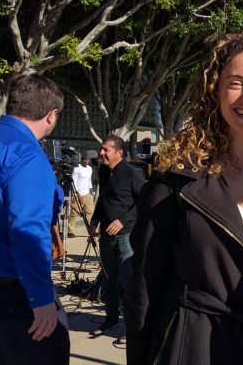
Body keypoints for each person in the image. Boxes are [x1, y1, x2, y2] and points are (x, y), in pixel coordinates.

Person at [124, 31, 243, 365]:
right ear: (214, 88)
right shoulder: (175, 177)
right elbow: (145, 286)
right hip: (192, 348)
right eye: (236, 83)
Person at [0, 74, 70, 364]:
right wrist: (41, 299)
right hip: (8, 293)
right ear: (51, 116)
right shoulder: (26, 155)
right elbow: (28, 231)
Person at [89, 135, 145, 337]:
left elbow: (143, 203)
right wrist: (95, 218)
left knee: (128, 282)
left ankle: (134, 328)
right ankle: (110, 320)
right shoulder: (103, 172)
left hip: (126, 237)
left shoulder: (133, 173)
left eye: (106, 150)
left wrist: (123, 220)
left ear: (119, 153)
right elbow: (103, 199)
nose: (101, 153)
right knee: (109, 280)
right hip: (105, 236)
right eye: (101, 149)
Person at [67, 155, 95, 238]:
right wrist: (77, 194)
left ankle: (92, 230)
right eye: (84, 160)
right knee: (74, 214)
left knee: (91, 212)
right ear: (82, 160)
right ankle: (69, 230)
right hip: (77, 194)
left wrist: (91, 189)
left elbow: (89, 180)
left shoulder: (90, 168)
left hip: (87, 193)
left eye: (88, 160)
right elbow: (73, 182)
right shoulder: (77, 169)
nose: (86, 161)